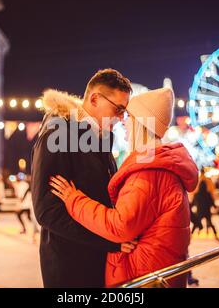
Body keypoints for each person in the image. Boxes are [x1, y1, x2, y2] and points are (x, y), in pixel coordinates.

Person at [50, 88, 199, 287]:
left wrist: (73, 198)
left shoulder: (148, 172)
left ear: (141, 124)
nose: (123, 121)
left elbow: (120, 226)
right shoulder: (159, 164)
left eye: (128, 116)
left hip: (143, 277)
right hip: (154, 270)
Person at [31, 69, 136, 288]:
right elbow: (47, 212)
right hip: (69, 266)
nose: (120, 118)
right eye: (118, 109)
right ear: (95, 98)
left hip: (98, 261)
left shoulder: (102, 137)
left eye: (124, 112)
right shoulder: (58, 134)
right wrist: (108, 241)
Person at [191, 169, 219, 242]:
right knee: (210, 223)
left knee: (196, 223)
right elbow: (211, 202)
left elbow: (193, 203)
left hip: (200, 211)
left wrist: (190, 207)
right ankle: (216, 236)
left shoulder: (197, 194)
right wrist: (215, 207)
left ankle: (190, 236)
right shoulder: (207, 194)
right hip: (207, 211)